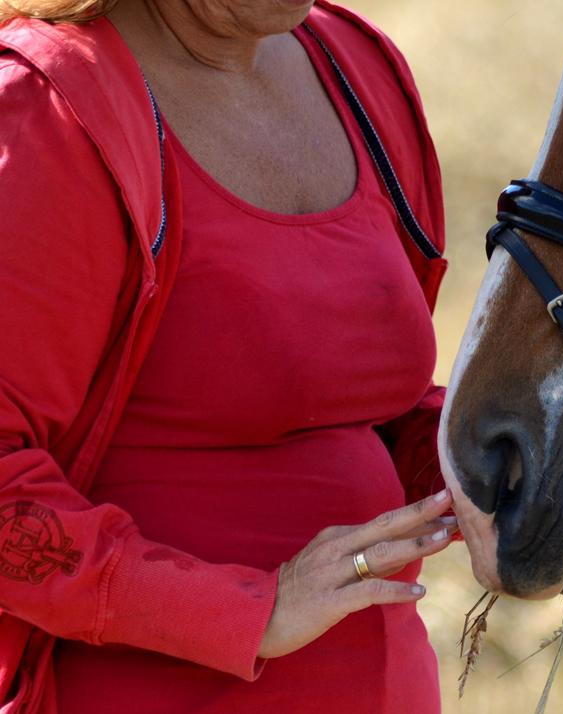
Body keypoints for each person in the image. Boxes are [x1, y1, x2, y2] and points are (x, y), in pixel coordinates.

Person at [0, 0, 456, 711]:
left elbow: (370, 405)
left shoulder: (357, 66)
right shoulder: (47, 111)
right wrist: (249, 610)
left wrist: (486, 467)